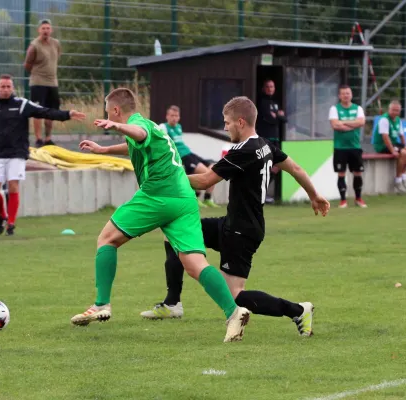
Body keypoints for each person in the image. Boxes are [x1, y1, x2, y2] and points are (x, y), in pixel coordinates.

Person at [140, 96, 330, 339]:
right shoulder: (265, 144)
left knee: (235, 295)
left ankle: (298, 310)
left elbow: (207, 180)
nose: (225, 127)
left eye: (227, 122)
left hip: (242, 231)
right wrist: (314, 195)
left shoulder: (243, 151)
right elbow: (296, 169)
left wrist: (166, 179)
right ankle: (173, 303)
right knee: (174, 235)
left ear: (240, 122)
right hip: (232, 224)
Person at [71, 88, 250, 343]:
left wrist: (116, 127)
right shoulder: (153, 126)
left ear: (115, 110)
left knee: (107, 239)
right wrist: (104, 150)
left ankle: (101, 304)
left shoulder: (137, 124)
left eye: (108, 112)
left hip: (159, 195)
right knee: (195, 264)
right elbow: (138, 142)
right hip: (184, 199)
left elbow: (138, 133)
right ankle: (234, 313)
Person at [0, 74, 85, 235]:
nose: (5, 89)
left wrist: (67, 114)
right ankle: (3, 216)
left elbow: (44, 112)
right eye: (2, 86)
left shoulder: (22, 105)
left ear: (13, 88)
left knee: (13, 186)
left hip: (17, 153)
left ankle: (11, 223)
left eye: (8, 87)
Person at [159, 105, 218, 208]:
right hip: (183, 157)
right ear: (167, 116)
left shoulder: (179, 127)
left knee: (214, 169)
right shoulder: (163, 127)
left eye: (176, 116)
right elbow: (160, 143)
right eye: (172, 115)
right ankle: (195, 198)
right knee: (206, 173)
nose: (174, 118)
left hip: (189, 153)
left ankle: (208, 198)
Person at [23, 19, 62, 147]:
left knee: (51, 111)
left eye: (48, 28)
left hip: (53, 82)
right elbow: (27, 64)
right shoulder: (34, 45)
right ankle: (39, 139)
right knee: (38, 111)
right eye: (43, 28)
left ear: (51, 30)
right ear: (39, 30)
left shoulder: (56, 44)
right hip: (38, 82)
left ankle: (48, 138)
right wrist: (36, 74)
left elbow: (56, 58)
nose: (46, 31)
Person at [329, 84, 367, 208]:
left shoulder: (358, 108)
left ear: (351, 94)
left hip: (355, 146)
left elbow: (361, 122)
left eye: (348, 93)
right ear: (339, 95)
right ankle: (343, 200)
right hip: (340, 147)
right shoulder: (335, 109)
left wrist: (343, 122)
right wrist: (353, 124)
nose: (346, 95)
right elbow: (335, 125)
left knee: (358, 173)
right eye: (343, 93)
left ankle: (358, 199)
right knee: (341, 173)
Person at [256, 79, 287, 203]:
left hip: (276, 139)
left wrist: (277, 116)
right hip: (265, 138)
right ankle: (259, 193)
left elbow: (284, 119)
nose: (270, 88)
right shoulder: (262, 102)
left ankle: (262, 192)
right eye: (267, 86)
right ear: (263, 88)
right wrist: (277, 116)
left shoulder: (275, 102)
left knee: (276, 166)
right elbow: (270, 118)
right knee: (265, 165)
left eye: (272, 86)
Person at [373, 100, 406, 193]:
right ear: (389, 109)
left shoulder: (398, 120)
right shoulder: (384, 119)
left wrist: (405, 145)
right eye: (393, 110)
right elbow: (385, 137)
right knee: (403, 153)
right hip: (382, 144)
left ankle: (403, 174)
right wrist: (392, 151)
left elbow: (401, 135)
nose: (395, 112)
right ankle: (398, 179)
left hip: (393, 143)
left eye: (397, 110)